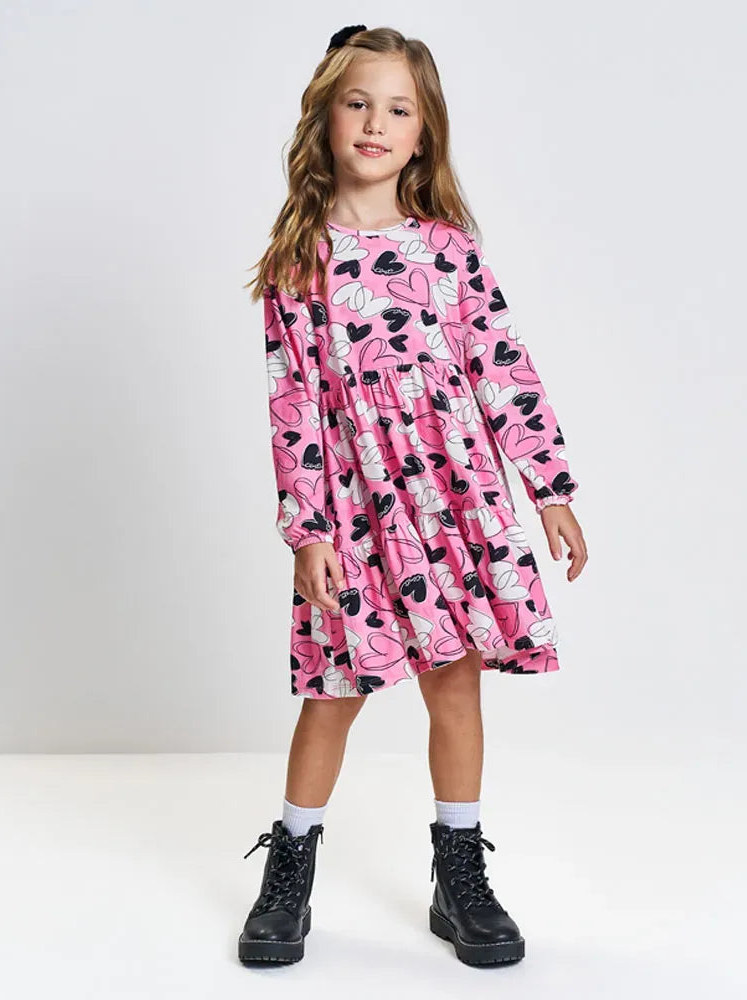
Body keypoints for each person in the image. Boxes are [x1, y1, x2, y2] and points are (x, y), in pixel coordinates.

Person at [238, 24, 588, 967]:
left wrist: (549, 487)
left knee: (456, 682)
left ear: (424, 131)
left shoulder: (448, 251)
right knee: (333, 690)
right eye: (358, 103)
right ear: (326, 116)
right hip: (352, 508)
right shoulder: (300, 260)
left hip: (451, 495)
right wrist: (308, 531)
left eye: (398, 109)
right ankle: (289, 872)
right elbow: (293, 405)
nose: (375, 123)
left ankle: (459, 875)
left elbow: (503, 368)